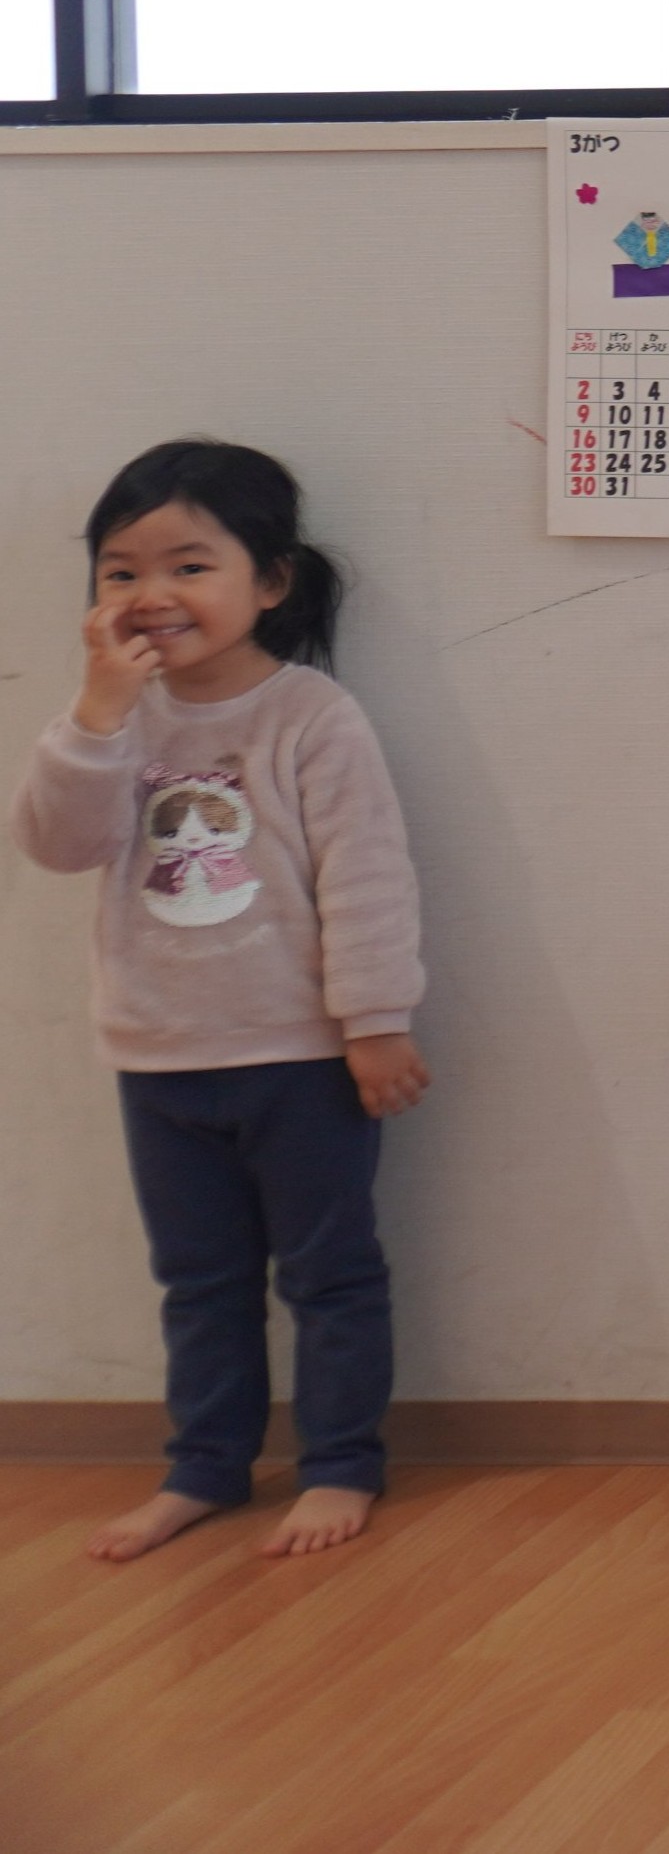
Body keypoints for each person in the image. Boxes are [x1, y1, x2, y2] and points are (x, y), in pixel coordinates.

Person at [16, 441, 429, 1564]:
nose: (151, 593)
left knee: (330, 1274)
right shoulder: (112, 720)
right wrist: (98, 713)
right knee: (198, 1283)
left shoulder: (311, 715)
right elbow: (58, 842)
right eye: (120, 571)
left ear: (272, 580)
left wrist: (376, 1020)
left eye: (189, 565)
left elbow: (367, 875)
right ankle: (204, 1467)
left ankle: (340, 1461)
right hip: (158, 1057)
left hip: (303, 1057)